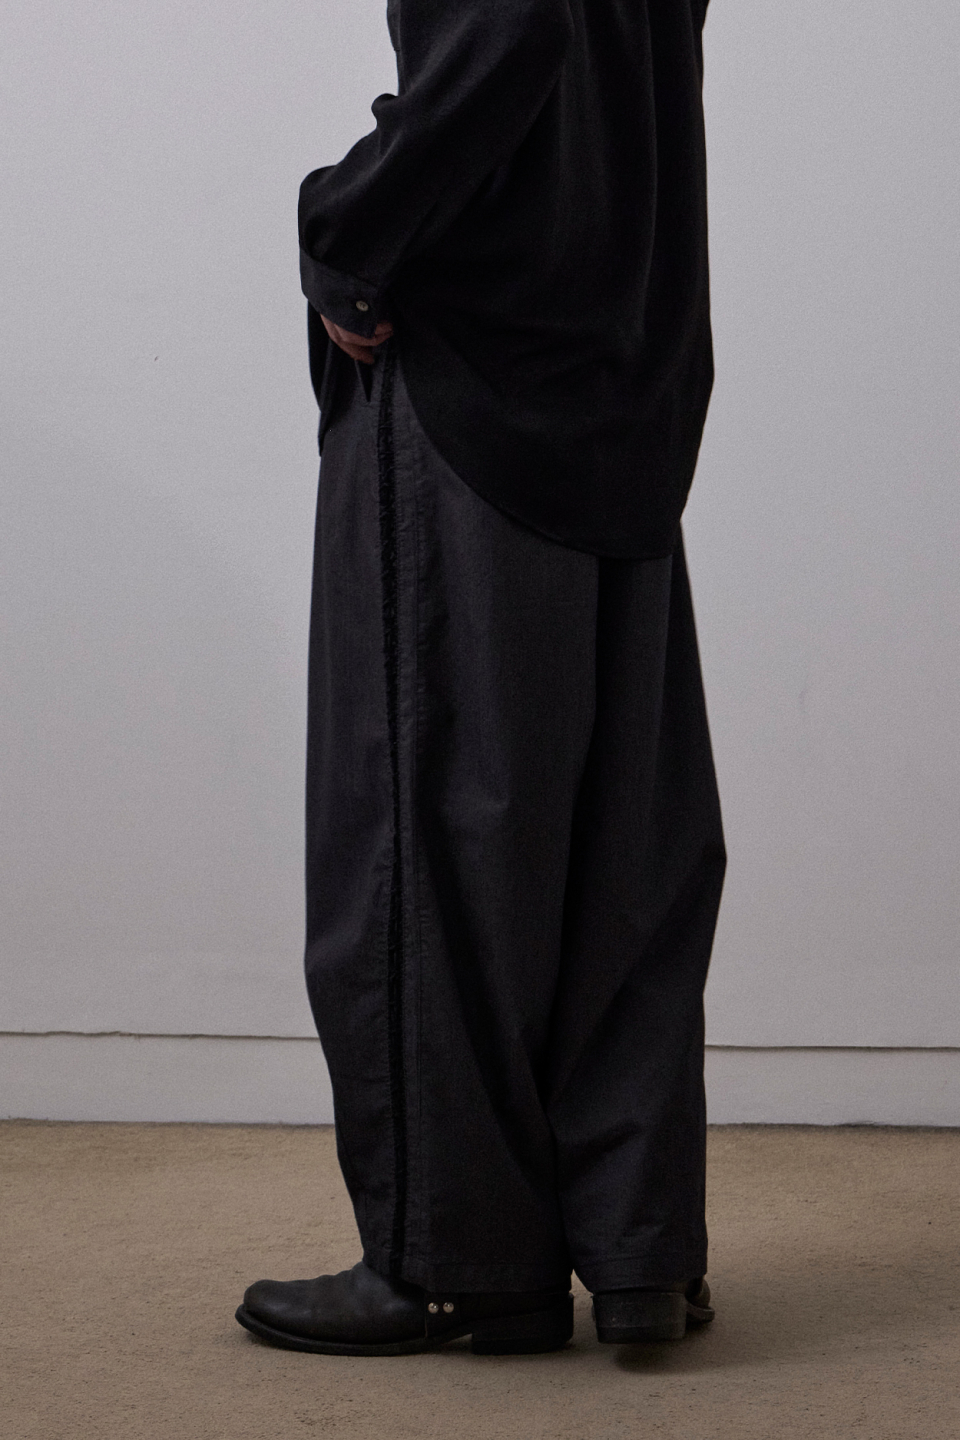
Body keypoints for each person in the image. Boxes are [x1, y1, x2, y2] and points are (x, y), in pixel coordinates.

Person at [236, 0, 725, 1356]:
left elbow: (509, 35)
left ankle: (456, 1257)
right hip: (624, 375)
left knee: (431, 844)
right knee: (623, 850)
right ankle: (637, 1249)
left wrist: (347, 231)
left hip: (481, 386)